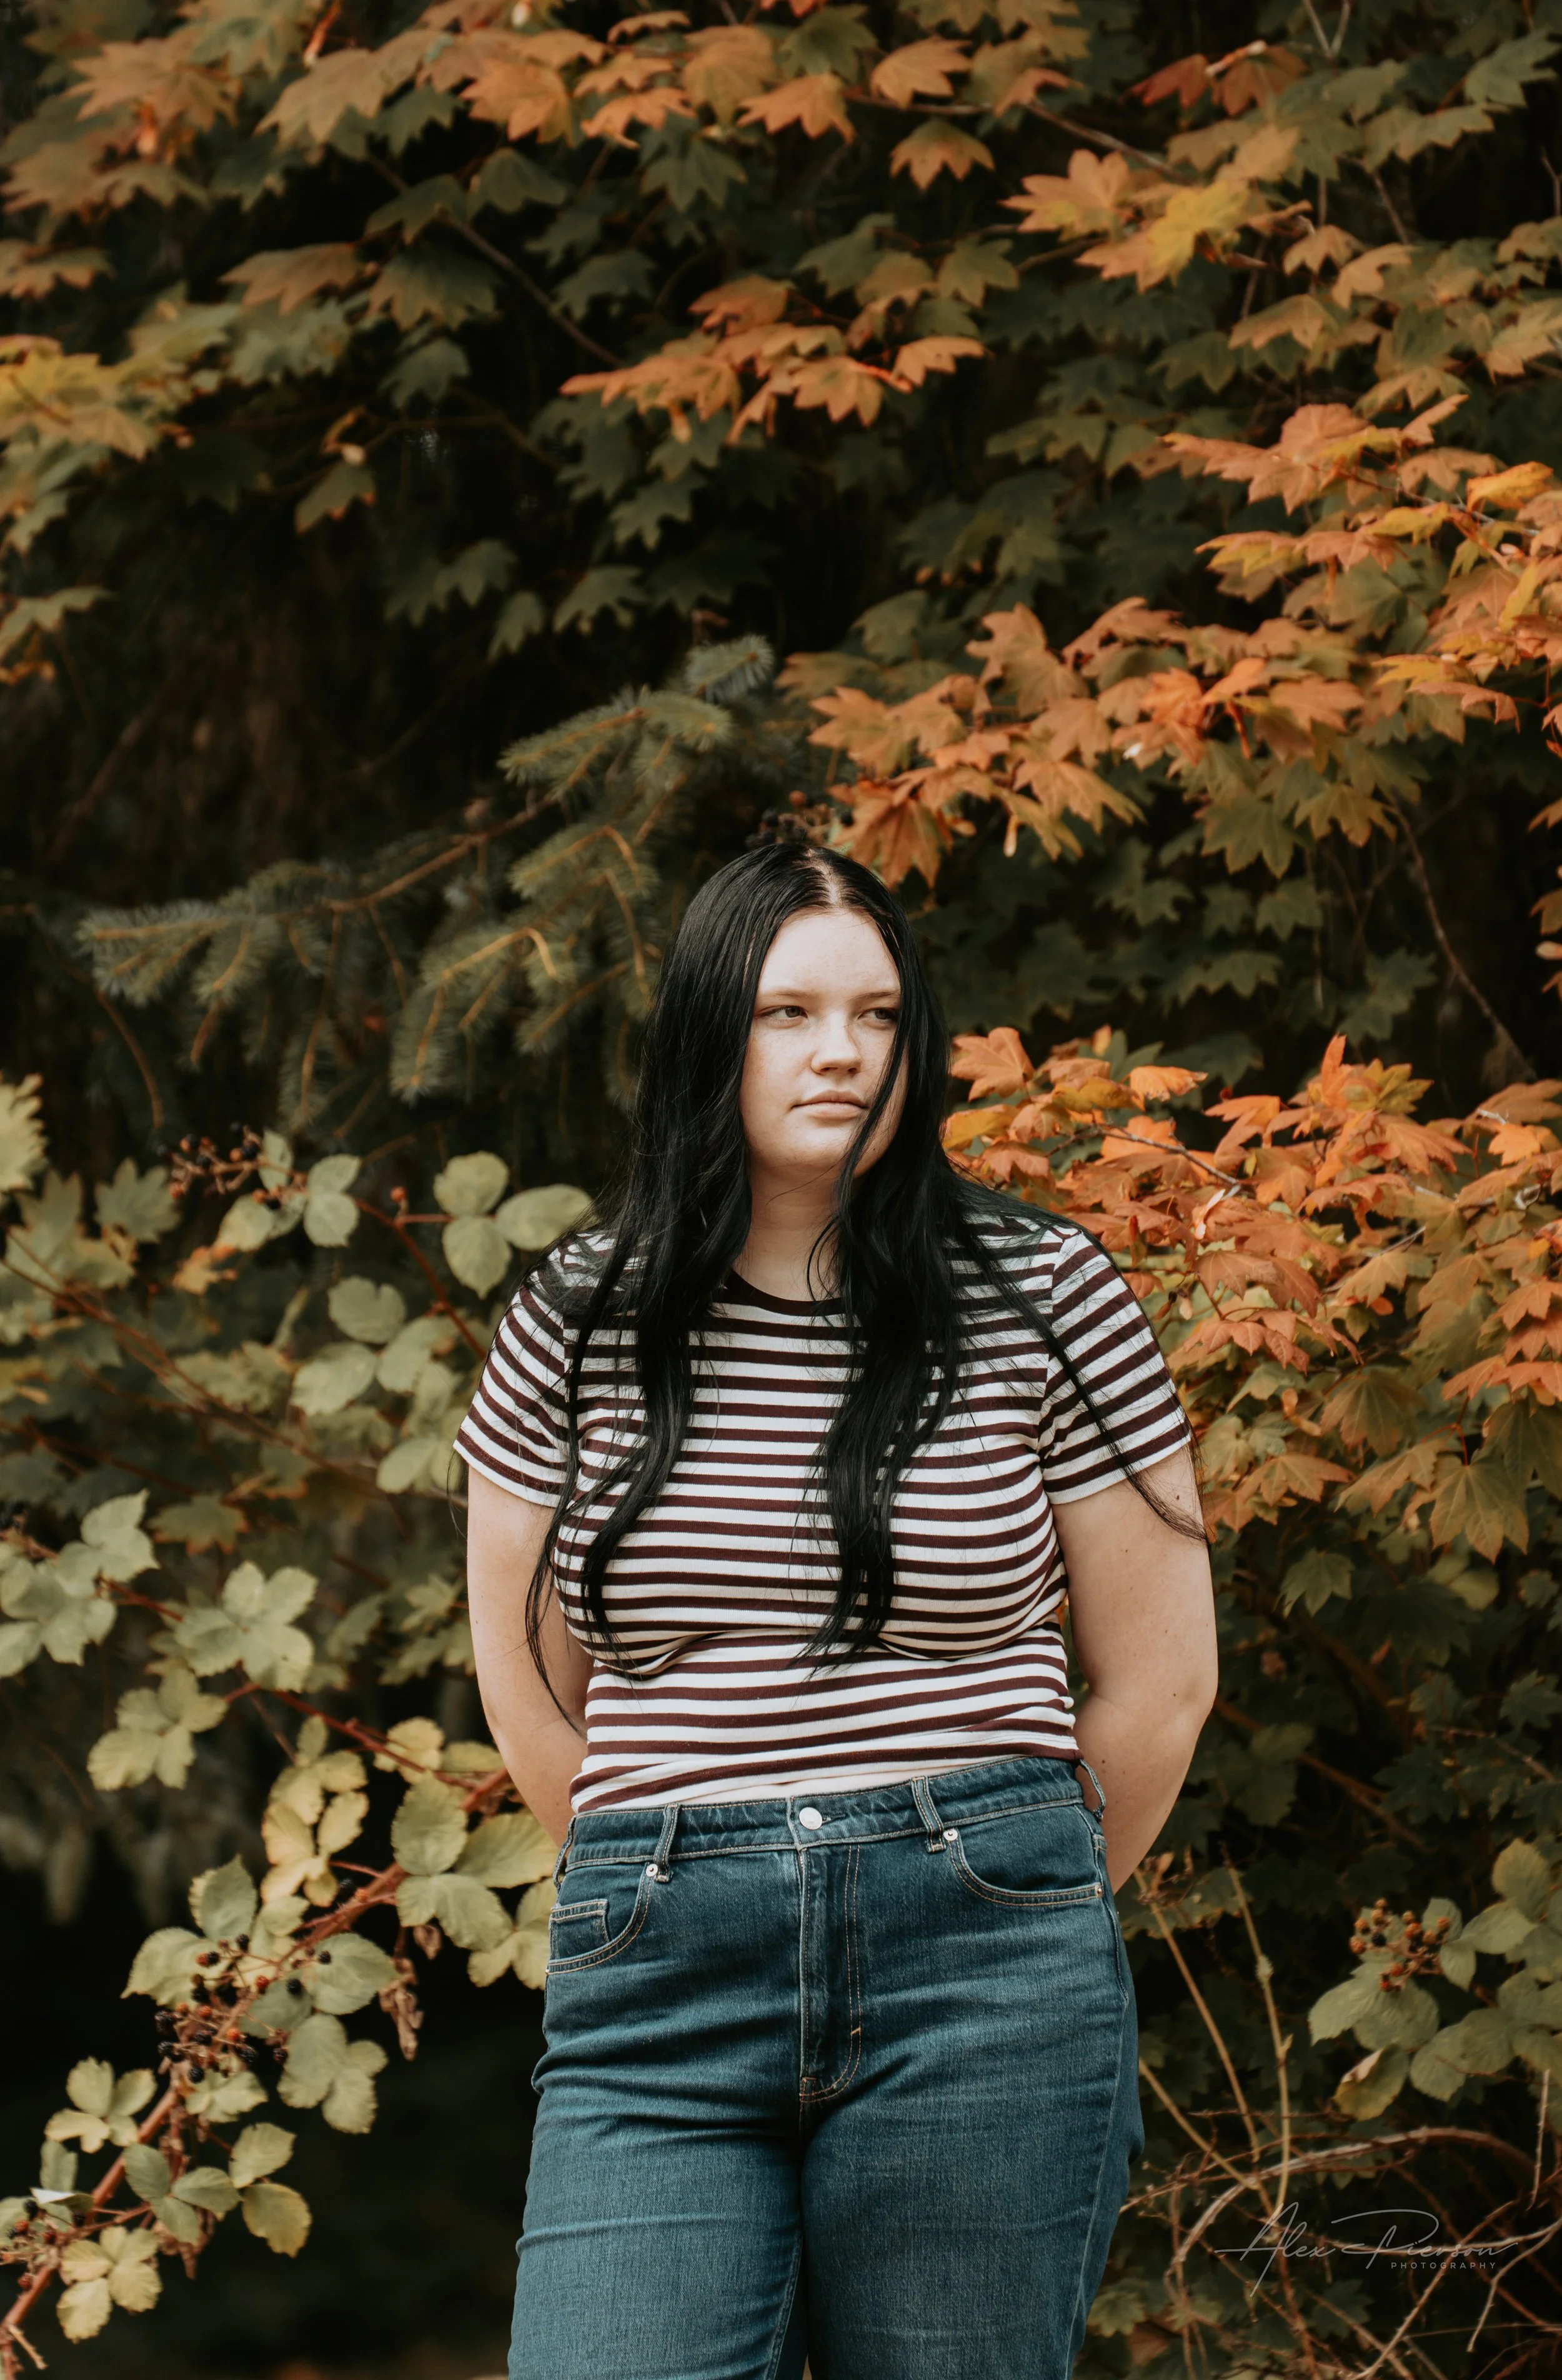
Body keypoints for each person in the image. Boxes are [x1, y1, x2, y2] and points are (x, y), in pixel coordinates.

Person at [460, 839, 1216, 2380]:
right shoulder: (574, 1318)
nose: (841, 1052)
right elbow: (533, 1696)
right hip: (658, 1971)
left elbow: (1158, 1683)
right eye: (787, 1011)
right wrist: (675, 1860)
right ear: (705, 1032)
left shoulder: (1043, 1293)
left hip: (984, 1963)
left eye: (876, 1015)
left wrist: (1023, 1891)